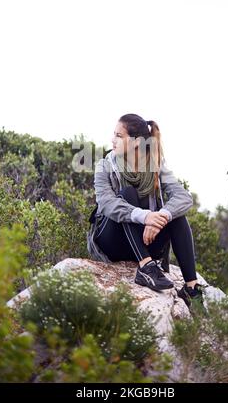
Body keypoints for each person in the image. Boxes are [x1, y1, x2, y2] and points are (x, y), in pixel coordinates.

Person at [87, 113, 204, 307]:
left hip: (145, 240)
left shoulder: (156, 165)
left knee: (177, 217)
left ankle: (191, 289)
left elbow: (183, 197)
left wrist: (161, 217)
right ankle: (146, 267)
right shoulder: (105, 165)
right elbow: (107, 204)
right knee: (127, 194)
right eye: (113, 134)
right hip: (112, 241)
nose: (112, 140)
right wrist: (145, 216)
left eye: (119, 136)